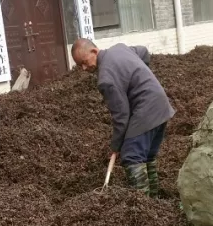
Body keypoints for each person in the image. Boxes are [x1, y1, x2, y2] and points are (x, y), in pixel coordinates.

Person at [71, 38, 175, 197]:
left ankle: (144, 204)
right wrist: (141, 77)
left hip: (145, 109)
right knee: (146, 156)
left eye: (84, 62)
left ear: (94, 51)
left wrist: (116, 146)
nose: (84, 68)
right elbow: (144, 52)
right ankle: (154, 198)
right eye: (80, 65)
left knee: (132, 155)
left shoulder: (105, 79)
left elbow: (121, 116)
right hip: (161, 104)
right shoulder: (120, 48)